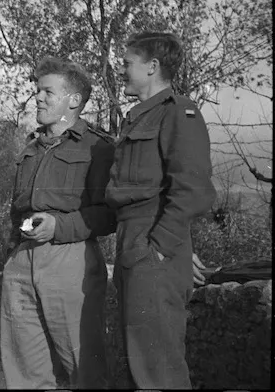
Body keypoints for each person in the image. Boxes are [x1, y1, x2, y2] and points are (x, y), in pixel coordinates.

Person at [105, 31, 217, 389]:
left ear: (152, 66)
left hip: (150, 244)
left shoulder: (179, 112)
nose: (121, 71)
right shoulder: (138, 117)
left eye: (127, 63)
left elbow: (194, 190)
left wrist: (163, 248)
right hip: (132, 241)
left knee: (158, 368)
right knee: (140, 363)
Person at [0, 57, 116, 389]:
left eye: (48, 92)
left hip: (71, 261)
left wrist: (58, 226)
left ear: (73, 100)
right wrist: (26, 233)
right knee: (24, 372)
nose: (37, 97)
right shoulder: (31, 150)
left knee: (85, 368)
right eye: (37, 91)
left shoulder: (99, 147)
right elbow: (18, 214)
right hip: (22, 262)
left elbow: (111, 214)